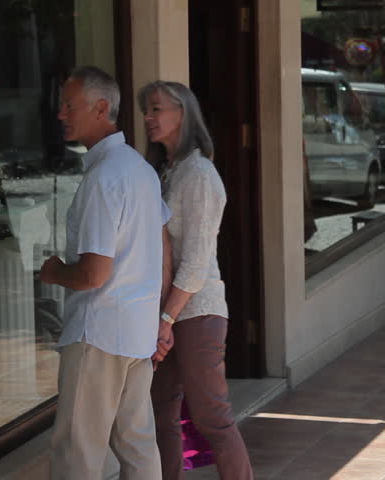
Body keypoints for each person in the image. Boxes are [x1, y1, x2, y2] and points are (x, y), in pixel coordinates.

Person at [41, 66, 169, 480]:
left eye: (69, 105)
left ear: (100, 108)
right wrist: (159, 316)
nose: (61, 113)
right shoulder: (138, 168)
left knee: (77, 454)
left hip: (100, 332)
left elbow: (94, 274)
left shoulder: (105, 176)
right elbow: (163, 248)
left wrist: (56, 272)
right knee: (137, 445)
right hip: (134, 329)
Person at [140, 80, 254, 480]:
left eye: (156, 109)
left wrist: (166, 320)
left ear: (183, 114)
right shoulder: (165, 172)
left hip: (197, 312)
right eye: (146, 110)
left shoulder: (200, 174)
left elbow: (197, 261)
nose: (148, 118)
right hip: (168, 313)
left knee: (213, 418)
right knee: (160, 412)